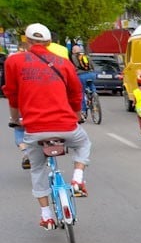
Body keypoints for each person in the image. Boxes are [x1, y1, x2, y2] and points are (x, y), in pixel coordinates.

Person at [3, 22, 92, 228]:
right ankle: (78, 178)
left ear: (26, 40)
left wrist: (15, 119)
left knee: (37, 168)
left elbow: (12, 95)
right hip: (66, 126)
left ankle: (46, 216)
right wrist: (76, 115)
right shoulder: (63, 63)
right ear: (49, 42)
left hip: (34, 129)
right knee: (83, 143)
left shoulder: (14, 62)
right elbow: (76, 93)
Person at [70, 45, 96, 116]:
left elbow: (71, 68)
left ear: (73, 51)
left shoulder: (73, 57)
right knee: (91, 84)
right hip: (92, 74)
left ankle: (83, 110)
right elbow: (92, 65)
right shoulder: (86, 56)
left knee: (82, 92)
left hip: (81, 76)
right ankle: (94, 95)